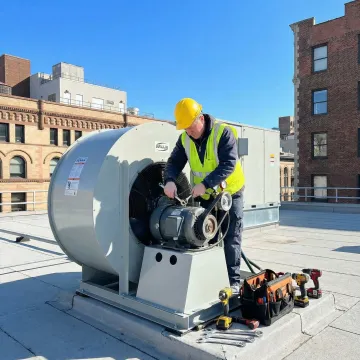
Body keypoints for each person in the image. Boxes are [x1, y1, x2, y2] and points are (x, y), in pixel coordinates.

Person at [163, 97, 246, 293]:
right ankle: (212, 277)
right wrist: (169, 180)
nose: (189, 132)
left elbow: (228, 164)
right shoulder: (185, 139)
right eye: (185, 129)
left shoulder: (223, 133)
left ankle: (233, 281)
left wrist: (206, 183)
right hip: (206, 195)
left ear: (200, 118)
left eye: (191, 127)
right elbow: (174, 162)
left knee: (230, 236)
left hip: (230, 193)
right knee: (206, 234)